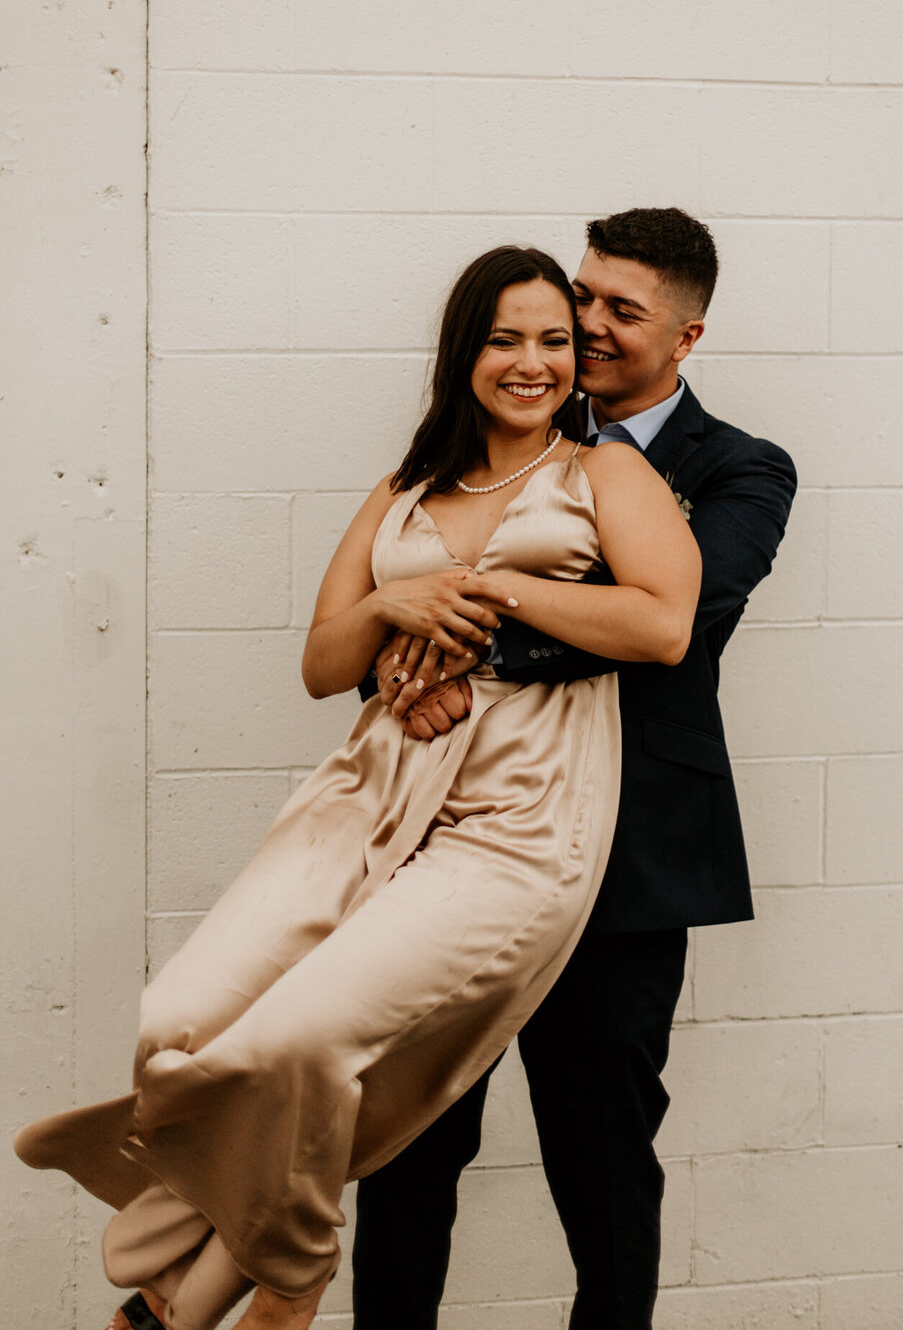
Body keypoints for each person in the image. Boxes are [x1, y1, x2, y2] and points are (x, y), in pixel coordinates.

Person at [14, 244, 702, 1330]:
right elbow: (321, 663)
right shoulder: (407, 488)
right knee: (179, 1020)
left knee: (301, 1044)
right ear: (463, 351)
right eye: (506, 338)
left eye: (555, 341)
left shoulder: (605, 474)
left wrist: (486, 588)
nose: (533, 361)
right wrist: (390, 612)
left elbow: (663, 622)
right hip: (371, 790)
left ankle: (283, 1276)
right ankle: (212, 1249)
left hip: (518, 816)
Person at [353, 207, 797, 1330]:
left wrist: (476, 642)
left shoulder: (741, 470)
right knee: (404, 1144)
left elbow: (679, 619)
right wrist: (404, 657)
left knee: (601, 1160)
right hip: (455, 845)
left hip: (631, 864)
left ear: (688, 337)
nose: (585, 328)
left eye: (619, 310)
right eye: (581, 297)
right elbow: (401, 576)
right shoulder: (491, 443)